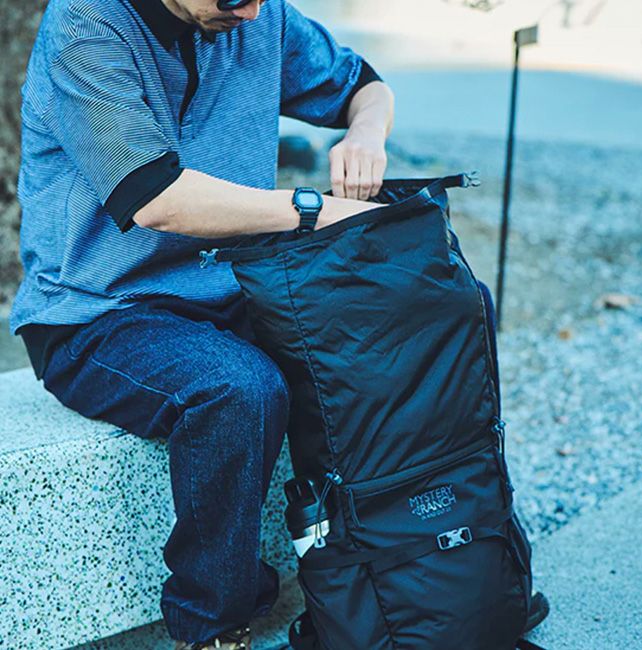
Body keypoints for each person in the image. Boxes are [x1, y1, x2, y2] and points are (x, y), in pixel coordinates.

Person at [9, 0, 394, 648]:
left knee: (395, 328)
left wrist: (365, 135)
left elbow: (367, 86)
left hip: (229, 289)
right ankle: (213, 626)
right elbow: (156, 199)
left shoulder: (260, 16)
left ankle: (417, 574)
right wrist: (312, 208)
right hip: (96, 312)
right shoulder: (85, 24)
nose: (250, 11)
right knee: (239, 389)